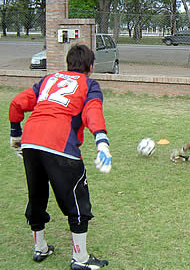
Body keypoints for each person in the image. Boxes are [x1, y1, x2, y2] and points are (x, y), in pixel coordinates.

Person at [9, 44, 112, 270]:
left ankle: (40, 248)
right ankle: (80, 259)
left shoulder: (48, 79)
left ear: (68, 63)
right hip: (60, 144)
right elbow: (93, 109)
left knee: (36, 195)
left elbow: (17, 103)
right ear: (91, 66)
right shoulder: (89, 84)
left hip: (31, 141)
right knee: (77, 200)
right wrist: (102, 141)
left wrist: (15, 134)